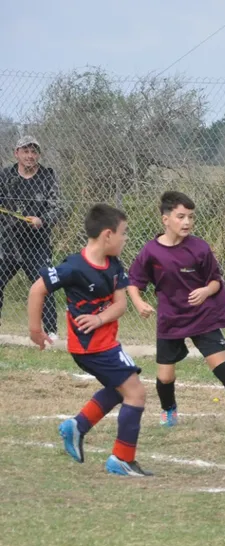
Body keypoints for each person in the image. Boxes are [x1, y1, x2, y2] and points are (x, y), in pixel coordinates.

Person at [126, 191, 225, 434]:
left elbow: (216, 281)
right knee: (165, 376)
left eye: (191, 217)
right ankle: (169, 408)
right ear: (165, 219)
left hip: (203, 315)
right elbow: (134, 283)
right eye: (181, 217)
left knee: (221, 365)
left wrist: (205, 291)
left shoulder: (200, 248)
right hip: (170, 318)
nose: (187, 222)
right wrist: (139, 303)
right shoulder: (151, 251)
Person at [29, 204, 151, 476]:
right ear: (108, 235)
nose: (126, 238)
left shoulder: (115, 265)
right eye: (124, 233)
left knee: (121, 389)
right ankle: (121, 459)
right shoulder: (73, 266)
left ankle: (78, 425)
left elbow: (120, 305)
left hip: (106, 344)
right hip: (92, 348)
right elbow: (37, 289)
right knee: (135, 393)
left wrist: (99, 319)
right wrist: (35, 329)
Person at [0, 135, 66, 339]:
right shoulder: (5, 176)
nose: (30, 155)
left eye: (34, 151)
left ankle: (51, 331)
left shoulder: (48, 176)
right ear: (16, 153)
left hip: (37, 243)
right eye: (26, 151)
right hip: (8, 242)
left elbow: (58, 209)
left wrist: (42, 220)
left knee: (45, 284)